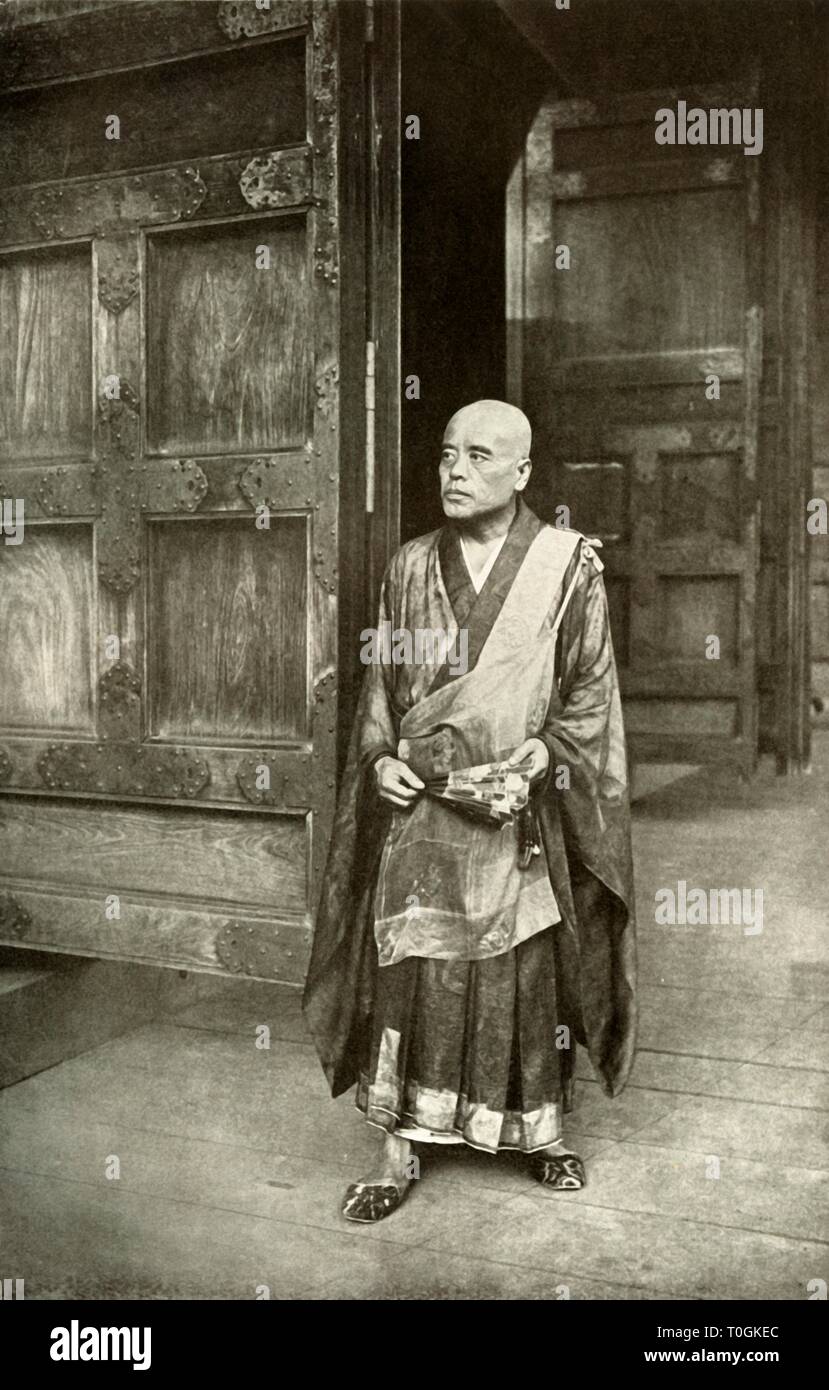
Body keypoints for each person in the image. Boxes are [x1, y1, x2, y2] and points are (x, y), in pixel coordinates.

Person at [303, 399, 635, 1223]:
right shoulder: (409, 567)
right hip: (423, 809)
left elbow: (590, 693)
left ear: (522, 474)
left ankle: (540, 1129)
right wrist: (379, 760)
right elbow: (379, 687)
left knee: (523, 967)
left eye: (479, 456)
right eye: (447, 453)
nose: (454, 469)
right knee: (413, 968)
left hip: (518, 809)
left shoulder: (568, 568)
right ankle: (397, 1144)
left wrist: (545, 754)